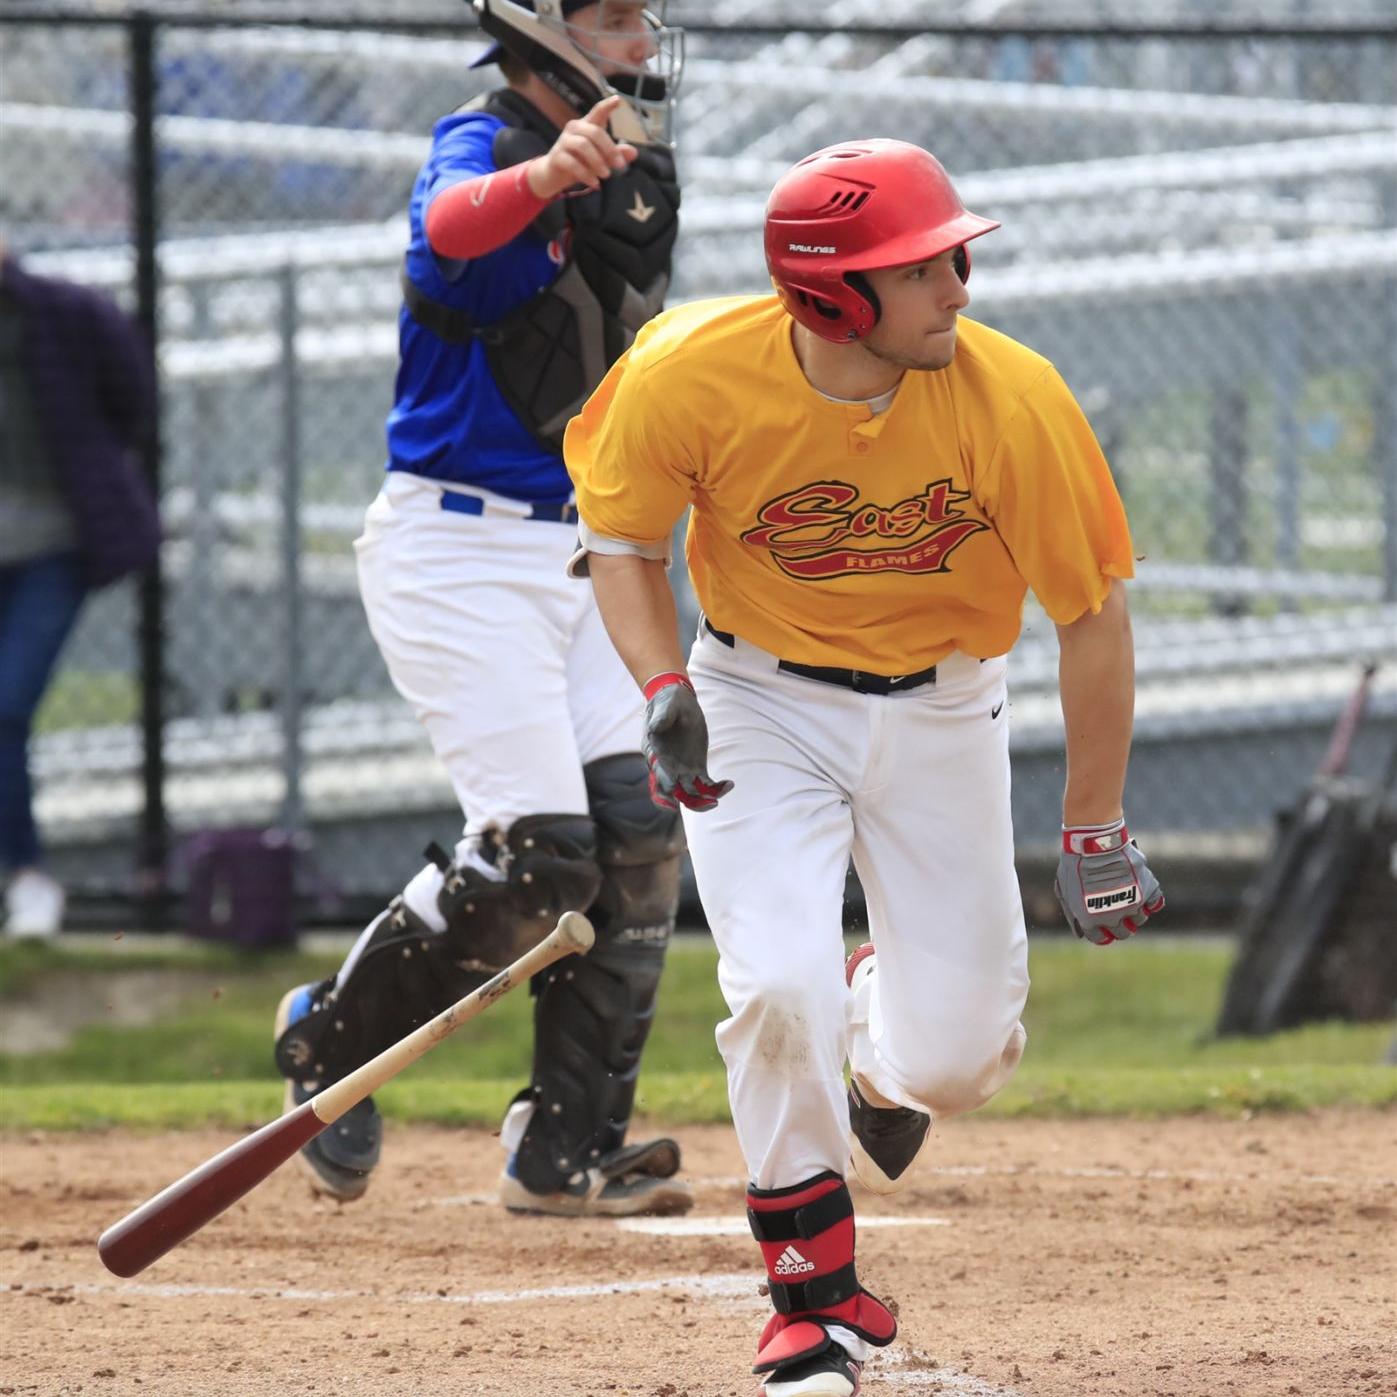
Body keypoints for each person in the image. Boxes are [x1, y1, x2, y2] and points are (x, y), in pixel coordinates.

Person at [565, 139, 1166, 1396]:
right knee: (769, 985)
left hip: (946, 708)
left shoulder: (1015, 398)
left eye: (951, 256)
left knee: (954, 1066)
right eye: (923, 265)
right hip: (757, 699)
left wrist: (1094, 826)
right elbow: (619, 540)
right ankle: (810, 1301)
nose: (956, 283)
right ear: (835, 294)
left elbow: (1091, 617)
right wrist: (662, 686)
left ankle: (872, 1024)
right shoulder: (687, 370)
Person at [272, 0, 694, 1219]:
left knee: (639, 836)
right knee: (539, 861)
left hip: (584, 554)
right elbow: (450, 228)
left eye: (638, 15)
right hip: (455, 550)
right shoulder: (478, 139)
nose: (635, 36)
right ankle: (329, 1041)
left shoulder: (636, 165)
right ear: (535, 30)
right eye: (608, 16)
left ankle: (563, 1149)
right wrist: (542, 173)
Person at [1, 244, 158, 938]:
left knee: (6, 708)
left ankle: (29, 875)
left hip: (51, 549)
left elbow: (133, 400)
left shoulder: (65, 313)